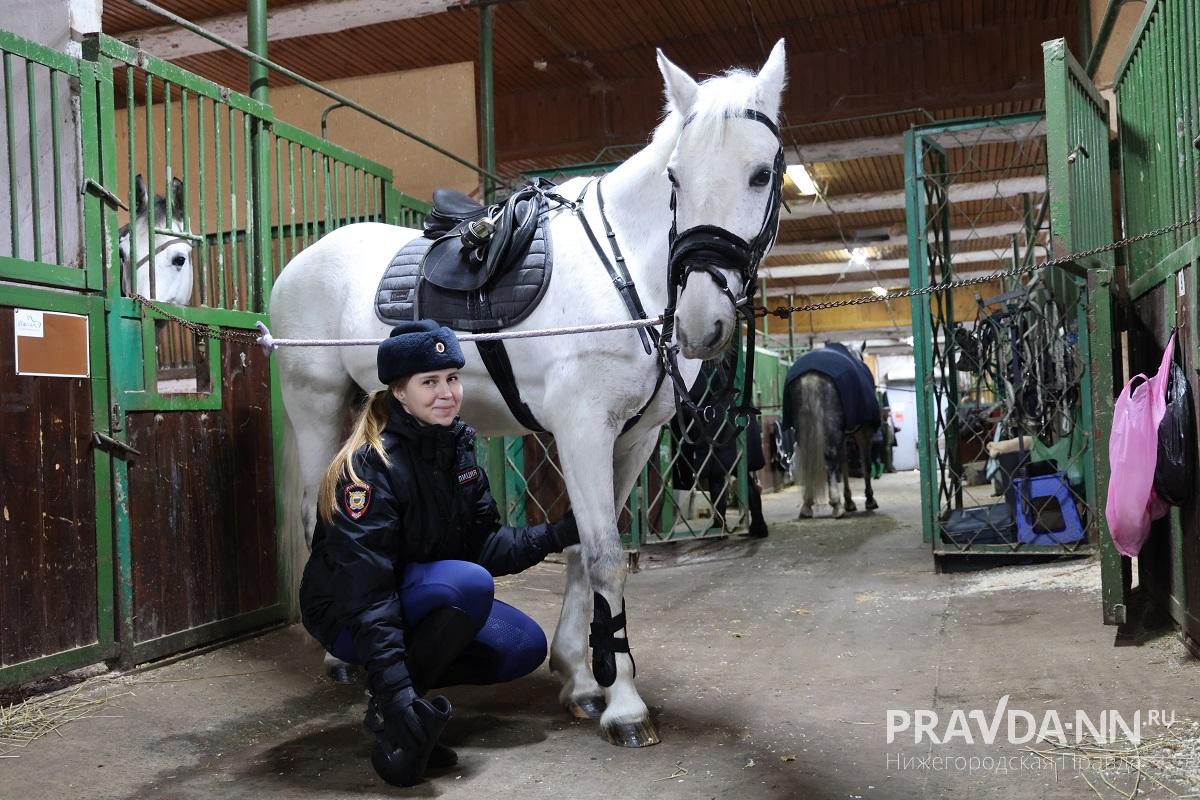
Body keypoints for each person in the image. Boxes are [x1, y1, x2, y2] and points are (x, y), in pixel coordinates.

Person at [299, 320, 580, 787]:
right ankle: (398, 707)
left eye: (452, 378)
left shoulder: (456, 448)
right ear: (400, 393)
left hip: (417, 595)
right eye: (429, 382)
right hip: (349, 613)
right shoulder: (367, 468)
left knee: (522, 646)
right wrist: (395, 692)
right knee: (470, 585)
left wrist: (562, 532)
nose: (447, 392)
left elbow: (484, 545)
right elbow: (368, 593)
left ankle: (400, 705)